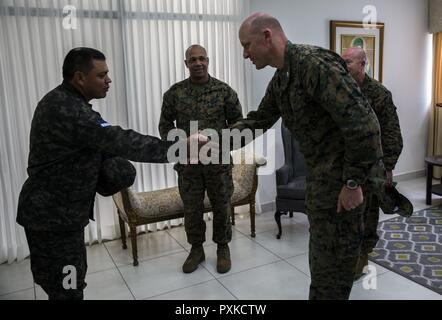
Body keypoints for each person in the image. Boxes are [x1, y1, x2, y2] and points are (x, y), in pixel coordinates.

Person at [16, 47, 209, 300]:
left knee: (66, 285)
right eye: (101, 75)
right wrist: (181, 148)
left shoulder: (68, 102)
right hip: (53, 219)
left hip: (59, 216)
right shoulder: (70, 110)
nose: (108, 80)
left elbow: (103, 145)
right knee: (67, 288)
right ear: (79, 77)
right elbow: (120, 139)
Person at [233, 13, 383, 300]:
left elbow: (365, 126)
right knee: (323, 270)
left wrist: (352, 183)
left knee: (333, 276)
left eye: (247, 45)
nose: (245, 54)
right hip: (321, 187)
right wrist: (212, 141)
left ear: (267, 36)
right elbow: (258, 121)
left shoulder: (314, 65)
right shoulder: (282, 78)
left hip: (342, 189)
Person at [158, 45, 243, 274]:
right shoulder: (175, 93)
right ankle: (196, 249)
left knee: (222, 206)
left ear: (208, 61)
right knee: (192, 209)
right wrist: (181, 145)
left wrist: (221, 143)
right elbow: (165, 126)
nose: (198, 63)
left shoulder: (224, 91)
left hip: (218, 162)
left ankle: (223, 248)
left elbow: (239, 126)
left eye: (202, 58)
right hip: (189, 165)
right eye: (192, 59)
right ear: (186, 63)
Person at [342, 47, 403, 277]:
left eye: (348, 62)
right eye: (342, 62)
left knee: (367, 214)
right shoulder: (340, 91)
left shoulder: (379, 94)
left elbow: (391, 132)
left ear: (362, 64)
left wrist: (389, 166)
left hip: (371, 167)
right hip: (345, 164)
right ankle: (348, 254)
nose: (344, 66)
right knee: (346, 214)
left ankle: (363, 255)